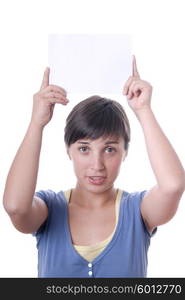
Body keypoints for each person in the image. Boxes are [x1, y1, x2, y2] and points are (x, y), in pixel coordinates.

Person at [3, 56, 185, 278]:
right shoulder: (49, 208)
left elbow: (173, 186)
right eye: (84, 149)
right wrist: (36, 124)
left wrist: (143, 110)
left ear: (125, 151)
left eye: (109, 149)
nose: (97, 165)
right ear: (68, 150)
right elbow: (15, 207)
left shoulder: (137, 210)